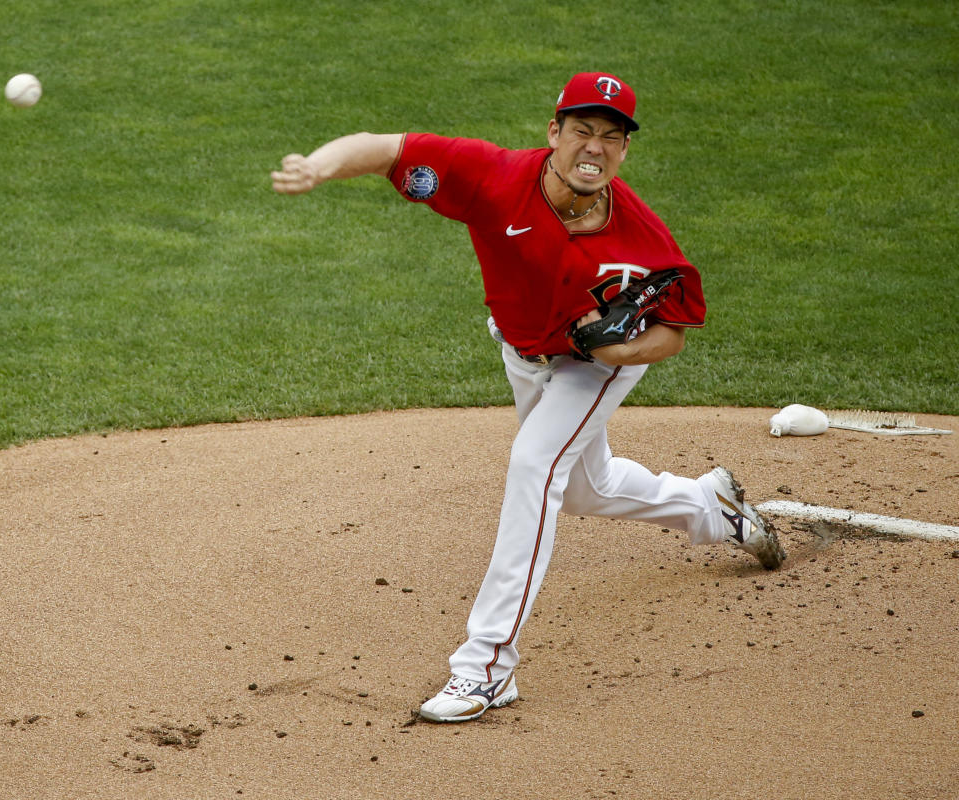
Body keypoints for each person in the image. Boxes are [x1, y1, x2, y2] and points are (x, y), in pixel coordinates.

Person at [270, 72, 786, 724]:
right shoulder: (492, 177)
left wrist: (619, 353)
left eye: (611, 137)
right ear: (554, 133)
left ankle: (486, 667)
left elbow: (674, 330)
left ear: (624, 151)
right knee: (583, 488)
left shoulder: (642, 241)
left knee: (534, 466)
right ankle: (710, 505)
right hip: (524, 350)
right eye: (582, 132)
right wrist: (317, 167)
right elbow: (387, 148)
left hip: (592, 368)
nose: (594, 148)